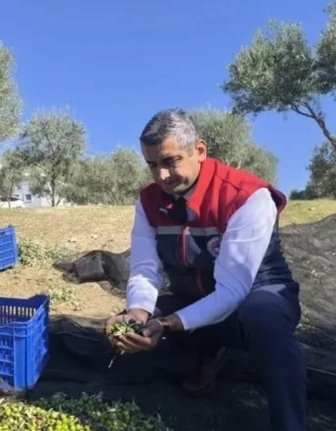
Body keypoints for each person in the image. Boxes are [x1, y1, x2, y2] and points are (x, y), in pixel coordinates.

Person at [105, 109, 307, 431]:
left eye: (170, 161)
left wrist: (167, 324)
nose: (161, 176)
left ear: (199, 150)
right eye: (152, 165)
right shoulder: (148, 201)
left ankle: (289, 423)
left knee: (264, 321)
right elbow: (144, 268)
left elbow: (232, 291)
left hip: (255, 295)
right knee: (129, 327)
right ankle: (209, 353)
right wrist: (139, 314)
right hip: (195, 297)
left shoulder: (246, 196)